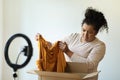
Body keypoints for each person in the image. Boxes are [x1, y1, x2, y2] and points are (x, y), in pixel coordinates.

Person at [36, 7, 108, 80]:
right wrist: (43, 42)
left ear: (96, 32)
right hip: (68, 76)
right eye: (83, 30)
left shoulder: (99, 46)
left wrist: (67, 51)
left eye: (90, 33)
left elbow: (89, 65)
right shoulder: (73, 37)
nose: (85, 35)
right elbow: (56, 46)